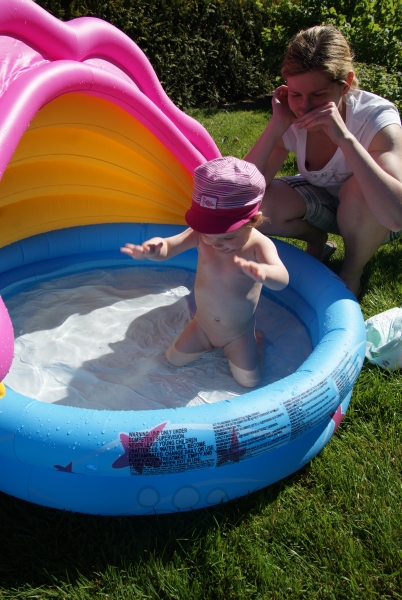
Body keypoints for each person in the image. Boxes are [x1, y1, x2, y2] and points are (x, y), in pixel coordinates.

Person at [244, 25, 402, 298]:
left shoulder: (376, 119)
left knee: (359, 189)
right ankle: (316, 239)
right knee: (254, 207)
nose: (304, 108)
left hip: (377, 216)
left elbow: (395, 216)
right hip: (329, 205)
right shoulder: (291, 116)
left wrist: (346, 140)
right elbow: (241, 190)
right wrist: (277, 125)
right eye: (295, 94)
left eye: (318, 95)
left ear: (346, 83)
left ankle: (350, 274)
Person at [121, 156, 289, 387]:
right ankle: (205, 341)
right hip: (202, 326)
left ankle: (256, 343)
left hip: (238, 334)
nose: (214, 243)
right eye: (208, 234)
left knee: (249, 382)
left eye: (227, 237)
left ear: (254, 221)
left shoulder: (258, 246)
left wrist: (265, 273)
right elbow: (170, 247)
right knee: (172, 360)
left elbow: (282, 279)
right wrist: (154, 249)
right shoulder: (201, 235)